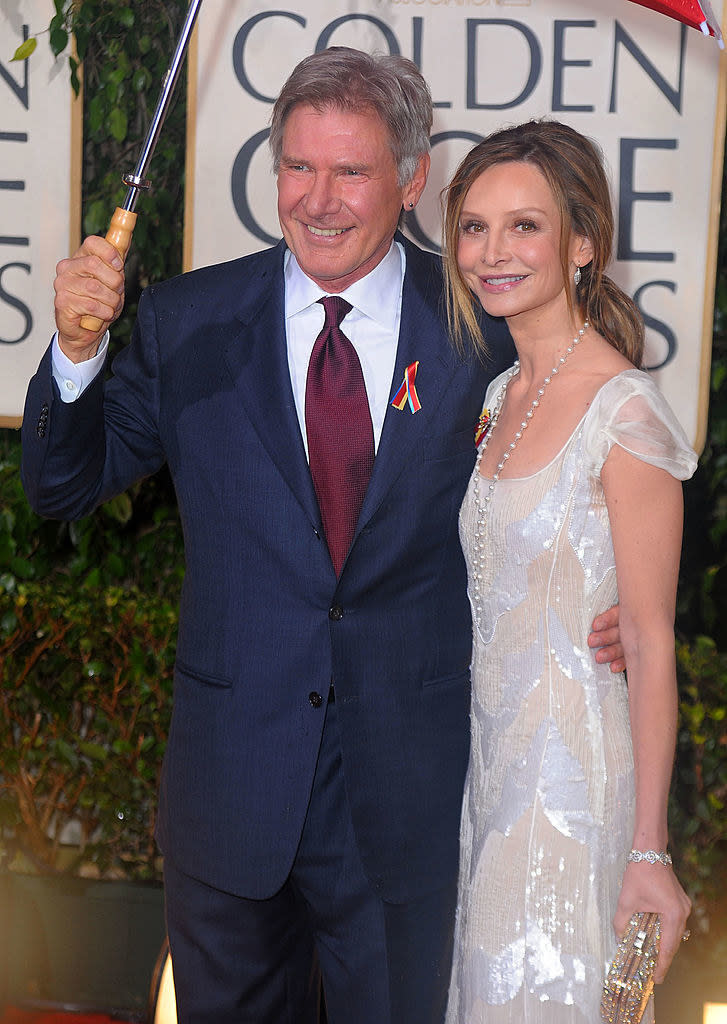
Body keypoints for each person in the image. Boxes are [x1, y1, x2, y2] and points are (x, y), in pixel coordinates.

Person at [21, 51, 621, 1024]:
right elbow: (60, 485)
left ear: (412, 179)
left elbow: (575, 481)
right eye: (298, 167)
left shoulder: (480, 325)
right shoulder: (188, 320)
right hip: (230, 798)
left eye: (351, 171)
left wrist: (616, 609)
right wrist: (78, 351)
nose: (319, 200)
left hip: (408, 798)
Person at [441, 119, 694, 1024]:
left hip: (573, 795)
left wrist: (649, 851)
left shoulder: (623, 410)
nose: (491, 252)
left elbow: (651, 642)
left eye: (524, 226)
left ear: (581, 243)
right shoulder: (495, 394)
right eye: (473, 226)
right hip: (488, 782)